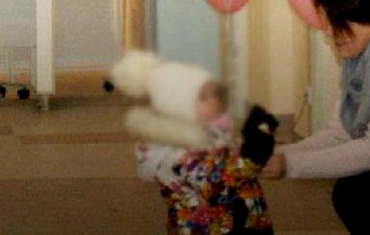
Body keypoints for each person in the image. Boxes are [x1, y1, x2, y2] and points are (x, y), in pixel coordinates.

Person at [262, 0, 370, 234]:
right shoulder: (359, 59)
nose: (328, 32)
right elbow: (340, 134)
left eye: (337, 23)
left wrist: (289, 165)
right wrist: (277, 156)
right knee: (351, 192)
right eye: (326, 22)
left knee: (357, 195)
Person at [112, 50, 278, 234]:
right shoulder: (177, 153)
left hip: (242, 219)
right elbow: (221, 182)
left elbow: (226, 156)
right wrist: (256, 151)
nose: (214, 101)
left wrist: (250, 131)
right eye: (204, 97)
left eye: (214, 94)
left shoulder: (207, 132)